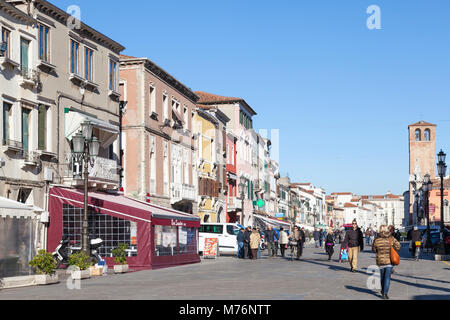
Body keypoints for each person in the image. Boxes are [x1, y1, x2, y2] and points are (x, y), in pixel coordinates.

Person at [372, 225, 401, 300]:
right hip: (389, 261)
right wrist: (393, 249)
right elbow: (398, 246)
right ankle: (385, 294)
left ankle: (383, 290)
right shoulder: (391, 238)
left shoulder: (377, 239)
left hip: (380, 261)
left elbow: (374, 250)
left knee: (382, 278)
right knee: (387, 278)